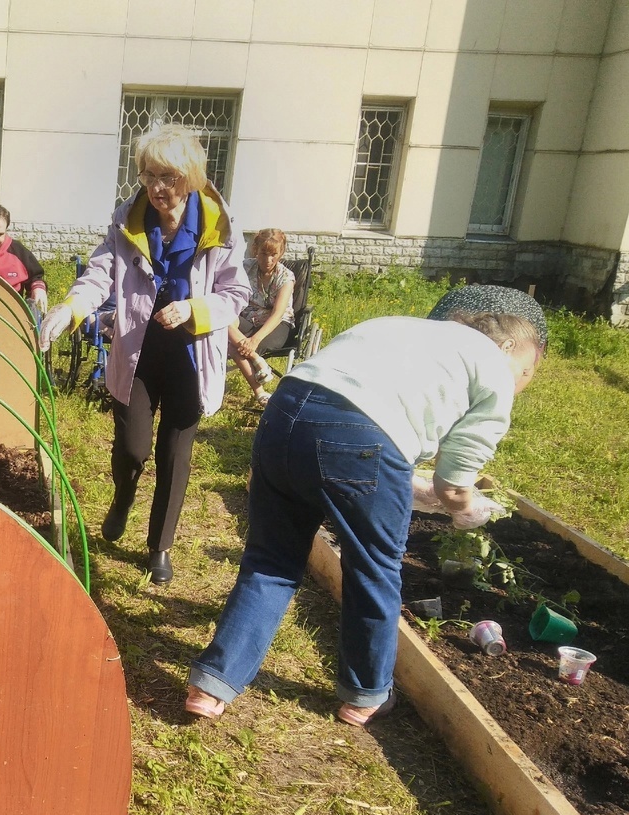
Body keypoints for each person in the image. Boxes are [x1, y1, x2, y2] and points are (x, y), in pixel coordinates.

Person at [183, 310, 544, 725]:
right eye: (527, 371)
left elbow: (356, 410)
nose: (522, 384)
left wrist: (409, 481)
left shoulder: (404, 328)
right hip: (358, 437)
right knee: (373, 568)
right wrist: (467, 510)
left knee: (270, 561)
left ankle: (212, 685)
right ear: (507, 347)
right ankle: (365, 694)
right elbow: (454, 485)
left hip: (285, 413)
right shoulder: (493, 371)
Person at [39, 125, 251, 585]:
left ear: (189, 177)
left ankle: (160, 546)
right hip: (138, 349)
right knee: (133, 450)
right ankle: (123, 497)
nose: (157, 187)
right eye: (149, 175)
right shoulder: (127, 219)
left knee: (175, 456)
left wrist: (196, 309)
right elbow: (99, 273)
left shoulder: (219, 225)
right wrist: (71, 308)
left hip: (191, 357)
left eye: (168, 177)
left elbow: (236, 293)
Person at [229, 228, 295, 406]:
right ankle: (258, 362)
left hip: (276, 325)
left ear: (281, 253)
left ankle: (259, 392)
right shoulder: (244, 267)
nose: (268, 260)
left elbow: (278, 314)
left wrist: (255, 340)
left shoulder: (286, 277)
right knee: (222, 321)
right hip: (248, 318)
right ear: (255, 250)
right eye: (264, 253)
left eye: (274, 254)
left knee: (235, 346)